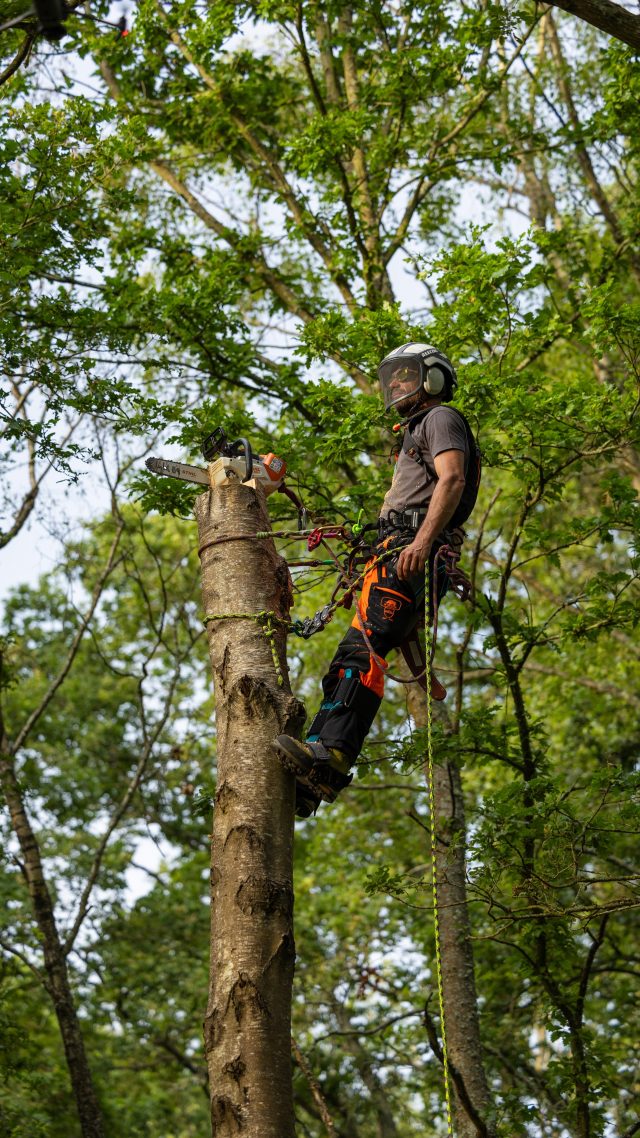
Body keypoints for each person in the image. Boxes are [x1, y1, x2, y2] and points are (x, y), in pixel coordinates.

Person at [274, 343, 480, 817]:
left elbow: (451, 481)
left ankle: (331, 756)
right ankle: (315, 766)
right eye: (393, 378)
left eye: (407, 376)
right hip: (396, 553)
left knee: (360, 652)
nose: (397, 385)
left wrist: (422, 544)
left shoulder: (441, 417)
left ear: (432, 378)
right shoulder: (414, 430)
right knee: (353, 654)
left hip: (408, 555)